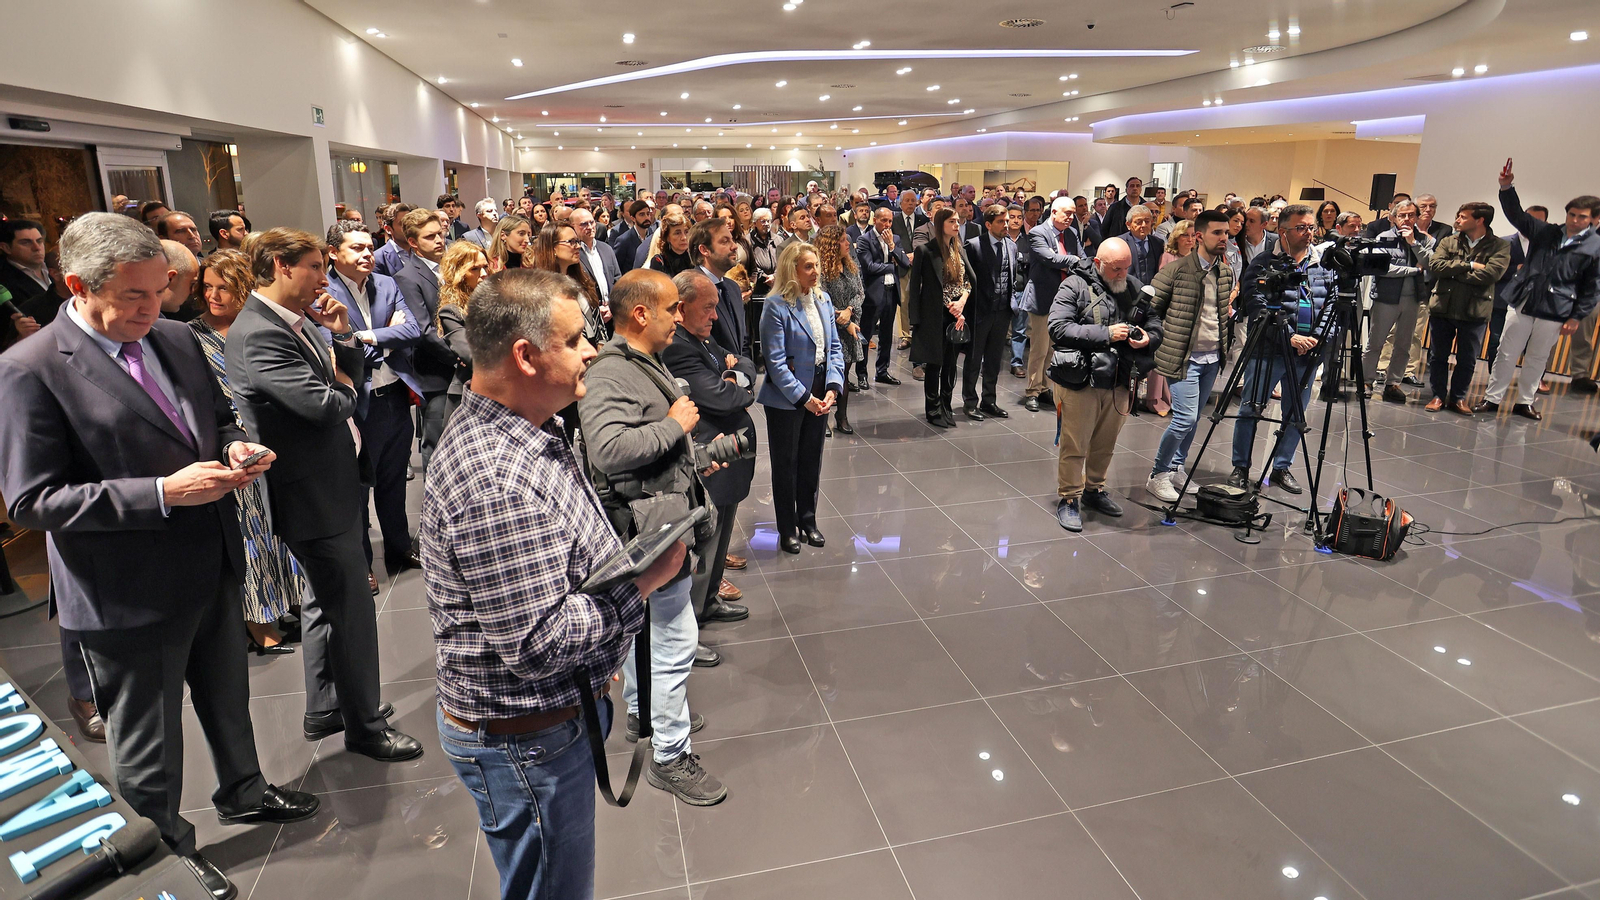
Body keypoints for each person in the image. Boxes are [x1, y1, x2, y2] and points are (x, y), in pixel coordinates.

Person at [0, 213, 318, 899]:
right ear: (78, 285)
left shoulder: (174, 337)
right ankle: (163, 846)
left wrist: (233, 445)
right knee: (148, 741)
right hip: (124, 590)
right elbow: (32, 501)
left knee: (230, 698)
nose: (153, 309)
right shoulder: (29, 369)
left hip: (209, 561)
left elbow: (216, 416)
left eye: (160, 291)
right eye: (133, 297)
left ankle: (246, 790)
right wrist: (160, 493)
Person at [423, 268, 679, 900]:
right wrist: (639, 585)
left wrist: (598, 656)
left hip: (545, 719)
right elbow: (537, 644)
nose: (593, 349)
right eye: (575, 339)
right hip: (525, 739)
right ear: (524, 356)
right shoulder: (497, 479)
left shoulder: (535, 427)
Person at [225, 227, 422, 762]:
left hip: (324, 481)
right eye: (313, 265)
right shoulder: (261, 332)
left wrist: (341, 339)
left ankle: (325, 706)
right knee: (351, 610)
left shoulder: (292, 321)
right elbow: (328, 406)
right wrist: (347, 386)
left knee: (323, 602)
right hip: (311, 491)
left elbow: (337, 387)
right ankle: (365, 726)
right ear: (279, 266)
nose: (322, 276)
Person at [579, 269, 729, 797]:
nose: (678, 318)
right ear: (640, 314)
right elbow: (609, 449)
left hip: (658, 523)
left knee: (650, 635)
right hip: (647, 533)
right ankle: (670, 753)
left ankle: (646, 714)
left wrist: (699, 454)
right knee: (674, 638)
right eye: (670, 310)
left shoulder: (640, 362)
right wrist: (677, 427)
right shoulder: (611, 373)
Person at [190, 249, 306, 651]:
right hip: (230, 446)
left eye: (223, 288)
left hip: (272, 437)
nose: (213, 296)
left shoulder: (258, 325)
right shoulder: (191, 335)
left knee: (278, 528)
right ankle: (259, 623)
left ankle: (283, 604)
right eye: (207, 287)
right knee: (249, 532)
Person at [322, 220, 423, 587]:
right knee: (358, 489)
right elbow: (334, 348)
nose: (367, 254)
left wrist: (362, 335)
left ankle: (399, 547)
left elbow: (412, 331)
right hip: (358, 405)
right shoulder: (324, 290)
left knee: (395, 482)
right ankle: (362, 563)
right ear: (334, 253)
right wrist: (383, 337)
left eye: (369, 247)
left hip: (395, 397)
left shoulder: (386, 283)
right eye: (357, 248)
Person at [661, 270, 755, 625]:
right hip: (711, 455)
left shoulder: (700, 338)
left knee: (722, 536)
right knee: (707, 541)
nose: (715, 317)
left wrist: (736, 373)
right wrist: (736, 382)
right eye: (708, 308)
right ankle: (695, 614)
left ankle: (710, 599)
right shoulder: (680, 348)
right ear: (681, 309)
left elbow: (741, 360)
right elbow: (722, 396)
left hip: (729, 454)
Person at [1047, 237, 1160, 532]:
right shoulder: (1074, 285)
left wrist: (1150, 338)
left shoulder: (1134, 287)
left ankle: (1094, 489)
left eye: (1126, 268)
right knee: (1076, 443)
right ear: (1098, 264)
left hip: (1120, 380)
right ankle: (1069, 498)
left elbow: (1155, 322)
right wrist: (1106, 333)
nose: (1123, 274)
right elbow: (1058, 328)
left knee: (1105, 443)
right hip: (1081, 380)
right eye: (1116, 269)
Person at [1479, 160, 1600, 419]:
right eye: (1572, 214)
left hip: (1557, 308)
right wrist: (1506, 187)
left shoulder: (1595, 247)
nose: (1575, 220)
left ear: (1595, 220)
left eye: (1582, 217)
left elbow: (1592, 287)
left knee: (1538, 356)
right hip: (1524, 299)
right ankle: (1492, 398)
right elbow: (1517, 215)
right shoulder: (1545, 231)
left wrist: (1576, 316)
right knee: (1506, 350)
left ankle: (1524, 401)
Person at [1230, 205, 1339, 494]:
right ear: (1283, 231)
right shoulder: (1264, 262)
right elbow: (1257, 306)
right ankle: (1240, 467)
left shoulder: (1324, 264)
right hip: (1269, 350)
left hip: (1308, 353)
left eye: (1311, 227)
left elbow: (1332, 304)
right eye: (1301, 228)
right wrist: (1288, 336)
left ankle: (1281, 467)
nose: (1308, 233)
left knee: (1296, 414)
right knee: (1251, 410)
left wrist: (1316, 337)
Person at [1146, 211, 1236, 502]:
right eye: (1217, 233)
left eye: (1226, 233)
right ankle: (1158, 474)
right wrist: (1161, 341)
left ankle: (1176, 468)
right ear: (1199, 236)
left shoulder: (1225, 272)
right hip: (1182, 357)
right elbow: (1151, 312)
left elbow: (1221, 315)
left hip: (1212, 358)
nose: (1224, 238)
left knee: (1195, 418)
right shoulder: (1175, 271)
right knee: (1183, 419)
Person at [760, 242, 845, 549]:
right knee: (786, 463)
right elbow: (776, 363)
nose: (816, 272)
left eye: (816, 266)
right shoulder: (776, 306)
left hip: (820, 388)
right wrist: (805, 398)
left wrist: (833, 389)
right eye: (808, 267)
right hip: (787, 397)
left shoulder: (823, 299)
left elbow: (834, 348)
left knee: (811, 459)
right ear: (791, 270)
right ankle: (787, 529)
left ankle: (808, 520)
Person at [1424, 202, 1511, 415]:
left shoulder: (1499, 246)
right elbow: (1436, 266)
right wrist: (1469, 265)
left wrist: (1453, 272)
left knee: (1467, 358)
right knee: (1437, 355)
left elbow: (1491, 275)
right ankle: (1437, 395)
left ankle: (1458, 398)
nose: (1458, 220)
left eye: (1463, 216)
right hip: (1444, 306)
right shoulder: (1449, 240)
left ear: (1479, 220)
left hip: (1475, 310)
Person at [392, 209, 460, 474]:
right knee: (438, 442)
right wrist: (461, 357)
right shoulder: (407, 276)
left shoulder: (449, 268)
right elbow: (423, 330)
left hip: (461, 369)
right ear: (413, 242)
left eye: (440, 234)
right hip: (436, 373)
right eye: (430, 237)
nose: (439, 240)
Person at [1363, 199, 1437, 403]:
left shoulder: (1424, 240)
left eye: (1411, 215)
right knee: (1375, 343)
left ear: (1416, 217)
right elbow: (1384, 269)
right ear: (1394, 218)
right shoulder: (1383, 238)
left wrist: (1413, 243)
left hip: (1413, 299)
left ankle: (1393, 383)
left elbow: (1431, 263)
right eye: (1402, 215)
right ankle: (1367, 381)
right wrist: (1414, 270)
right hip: (1386, 298)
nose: (1406, 219)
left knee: (1404, 344)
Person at [908, 208, 973, 427]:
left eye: (957, 221)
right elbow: (915, 286)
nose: (956, 225)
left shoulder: (959, 249)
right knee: (934, 364)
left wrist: (961, 302)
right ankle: (933, 409)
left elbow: (968, 281)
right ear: (940, 224)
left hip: (958, 314)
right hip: (934, 315)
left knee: (951, 364)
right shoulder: (925, 251)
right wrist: (914, 320)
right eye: (952, 221)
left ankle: (946, 404)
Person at [1023, 197, 1086, 412]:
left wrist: (1079, 261)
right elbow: (1050, 258)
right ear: (1054, 212)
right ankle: (1032, 390)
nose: (1070, 217)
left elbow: (1082, 256)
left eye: (1072, 213)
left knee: (1053, 348)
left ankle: (1044, 388)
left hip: (1064, 299)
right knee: (1039, 348)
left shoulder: (1071, 233)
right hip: (1043, 297)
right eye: (1066, 213)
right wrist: (1074, 260)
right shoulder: (1038, 233)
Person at [961, 203, 1021, 420]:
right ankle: (969, 401)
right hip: (980, 311)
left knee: (995, 360)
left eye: (1007, 221)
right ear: (988, 224)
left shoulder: (1011, 246)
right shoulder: (974, 246)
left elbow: (1012, 276)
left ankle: (989, 400)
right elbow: (965, 279)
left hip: (1003, 310)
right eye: (1001, 222)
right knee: (974, 359)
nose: (1006, 225)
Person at [855, 206, 910, 387]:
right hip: (872, 294)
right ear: (874, 220)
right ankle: (861, 373)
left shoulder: (895, 239)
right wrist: (891, 266)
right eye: (883, 221)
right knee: (867, 333)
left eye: (889, 221)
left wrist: (893, 248)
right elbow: (869, 267)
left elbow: (905, 263)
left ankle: (882, 371)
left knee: (887, 335)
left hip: (891, 292)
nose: (887, 224)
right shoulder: (864, 240)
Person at [817, 224, 864, 433]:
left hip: (850, 328)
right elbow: (820, 299)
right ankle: (822, 417)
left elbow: (860, 292)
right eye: (844, 240)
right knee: (825, 375)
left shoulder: (850, 265)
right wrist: (844, 319)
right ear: (831, 244)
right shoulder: (821, 270)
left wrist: (850, 310)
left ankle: (842, 416)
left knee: (844, 374)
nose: (848, 243)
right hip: (830, 329)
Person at [435, 240, 487, 426]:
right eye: (475, 269)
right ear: (459, 274)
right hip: (467, 397)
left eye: (485, 267)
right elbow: (471, 356)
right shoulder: (451, 311)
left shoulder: (498, 305)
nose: (484, 274)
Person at [572, 206, 621, 312]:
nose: (590, 227)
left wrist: (612, 308)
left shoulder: (606, 249)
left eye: (592, 222)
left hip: (611, 314)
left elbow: (617, 279)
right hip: (588, 317)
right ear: (572, 227)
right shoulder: (573, 253)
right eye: (584, 224)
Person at [612, 199, 655, 275]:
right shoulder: (624, 240)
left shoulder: (654, 236)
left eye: (648, 214)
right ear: (633, 218)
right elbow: (617, 268)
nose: (646, 218)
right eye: (641, 214)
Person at [1124, 205, 1163, 287]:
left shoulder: (1158, 243)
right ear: (1128, 224)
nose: (1144, 225)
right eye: (1139, 222)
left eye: (1147, 221)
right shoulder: (1120, 243)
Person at [646, 210, 695, 275]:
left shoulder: (695, 259)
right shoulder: (660, 261)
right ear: (667, 237)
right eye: (677, 233)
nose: (684, 238)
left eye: (686, 232)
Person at [373, 203, 414, 276]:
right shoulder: (378, 259)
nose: (409, 227)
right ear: (388, 229)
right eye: (402, 224)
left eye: (411, 222)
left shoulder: (423, 251)